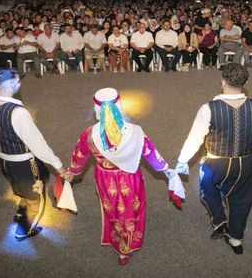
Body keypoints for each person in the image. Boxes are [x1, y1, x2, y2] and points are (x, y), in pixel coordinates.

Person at [65, 88, 178, 265]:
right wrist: (166, 170)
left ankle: (119, 244)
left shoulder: (89, 135)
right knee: (132, 209)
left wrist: (72, 172)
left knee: (113, 210)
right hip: (130, 178)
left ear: (96, 110)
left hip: (105, 178)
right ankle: (130, 241)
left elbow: (79, 156)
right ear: (119, 105)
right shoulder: (135, 132)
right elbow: (150, 153)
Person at [175, 63, 252, 254]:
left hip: (216, 162)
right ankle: (236, 239)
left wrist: (183, 160)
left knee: (208, 189)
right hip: (246, 162)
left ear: (222, 81)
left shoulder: (208, 108)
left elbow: (195, 137)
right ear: (245, 82)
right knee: (242, 199)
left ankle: (219, 221)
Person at [0, 68, 68, 240]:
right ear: (13, 83)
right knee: (37, 197)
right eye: (18, 81)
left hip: (4, 160)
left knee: (18, 183)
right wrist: (59, 166)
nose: (20, 84)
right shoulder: (18, 112)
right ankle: (24, 230)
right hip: (25, 163)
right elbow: (38, 145)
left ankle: (22, 205)